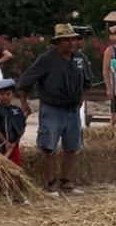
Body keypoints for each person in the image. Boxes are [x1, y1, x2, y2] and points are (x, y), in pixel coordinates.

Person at [18, 24, 90, 196]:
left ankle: (66, 182)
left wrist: (81, 98)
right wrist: (23, 102)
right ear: (57, 42)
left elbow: (87, 81)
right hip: (52, 108)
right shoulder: (47, 59)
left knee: (72, 146)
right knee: (48, 147)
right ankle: (50, 183)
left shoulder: (80, 59)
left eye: (72, 39)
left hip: (73, 108)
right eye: (66, 40)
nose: (71, 43)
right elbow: (26, 80)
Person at [0, 78, 27, 167]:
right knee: (0, 168)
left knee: (16, 168)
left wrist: (15, 141)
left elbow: (22, 127)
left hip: (13, 146)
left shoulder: (17, 111)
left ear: (12, 94)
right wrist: (6, 143)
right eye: (2, 94)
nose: (5, 97)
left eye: (8, 94)